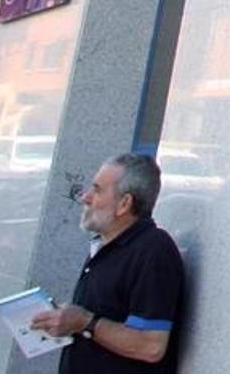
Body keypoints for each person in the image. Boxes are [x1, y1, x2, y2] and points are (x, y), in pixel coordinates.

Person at [27, 153, 183, 368]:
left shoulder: (153, 250)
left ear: (124, 204)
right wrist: (67, 320)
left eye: (97, 190)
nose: (85, 197)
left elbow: (151, 346)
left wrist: (85, 322)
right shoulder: (105, 247)